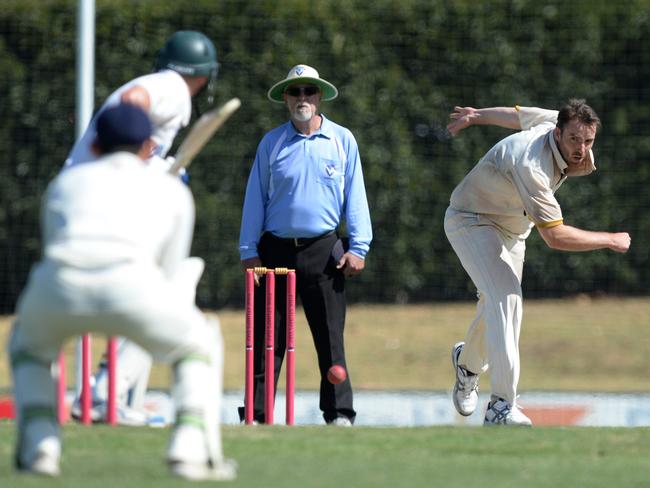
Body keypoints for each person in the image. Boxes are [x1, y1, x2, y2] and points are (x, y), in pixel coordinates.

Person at [8, 103, 236, 480]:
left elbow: (53, 248)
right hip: (135, 288)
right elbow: (169, 270)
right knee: (199, 345)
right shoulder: (171, 192)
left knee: (27, 347)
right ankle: (188, 446)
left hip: (57, 289)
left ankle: (40, 444)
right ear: (149, 145)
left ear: (95, 146)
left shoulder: (64, 183)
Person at [444, 99, 631, 426]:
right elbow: (556, 237)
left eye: (588, 141)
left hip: (514, 230)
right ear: (558, 133)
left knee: (496, 303)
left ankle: (467, 364)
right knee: (507, 297)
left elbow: (516, 116)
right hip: (470, 219)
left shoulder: (551, 122)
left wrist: (477, 116)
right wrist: (610, 239)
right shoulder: (531, 164)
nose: (581, 149)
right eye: (574, 139)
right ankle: (501, 406)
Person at [65, 30, 220, 424]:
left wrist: (151, 169)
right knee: (171, 291)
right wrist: (143, 155)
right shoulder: (171, 89)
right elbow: (134, 108)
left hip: (81, 206)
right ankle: (104, 394)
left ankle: (105, 394)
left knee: (155, 291)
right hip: (105, 207)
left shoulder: (151, 82)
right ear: (202, 75)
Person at [238, 64, 372, 425]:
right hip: (275, 250)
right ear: (285, 98)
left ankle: (339, 412)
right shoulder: (272, 142)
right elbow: (255, 198)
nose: (302, 98)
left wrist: (359, 246)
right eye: (294, 92)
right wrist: (248, 249)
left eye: (308, 92)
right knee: (269, 339)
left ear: (319, 96)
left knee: (330, 337)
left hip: (324, 249)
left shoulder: (342, 140)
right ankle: (257, 414)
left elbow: (355, 195)